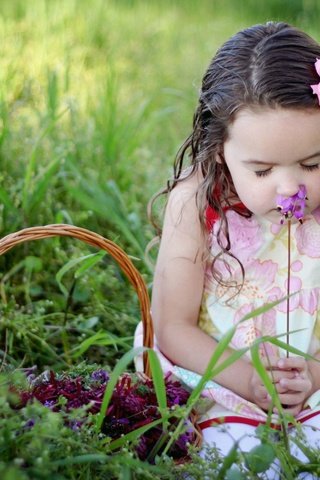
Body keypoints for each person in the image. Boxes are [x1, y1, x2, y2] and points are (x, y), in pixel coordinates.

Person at [135, 21, 320, 478]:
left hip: (310, 379)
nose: (289, 188)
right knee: (240, 462)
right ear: (220, 151)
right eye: (261, 171)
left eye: (314, 163)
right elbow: (172, 326)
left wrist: (312, 376)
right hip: (220, 378)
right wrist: (248, 381)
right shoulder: (197, 205)